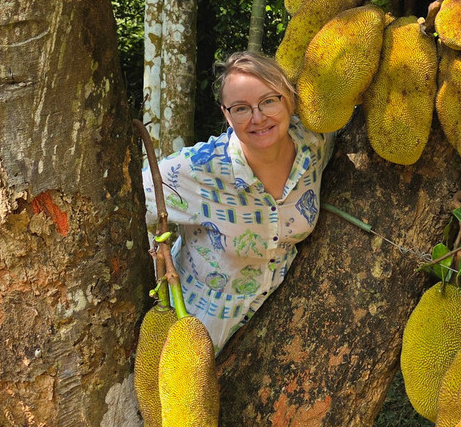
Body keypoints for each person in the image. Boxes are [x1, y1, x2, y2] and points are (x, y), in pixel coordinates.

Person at [141, 51, 334, 352]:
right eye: (241, 108)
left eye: (269, 101)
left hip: (273, 338)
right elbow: (128, 204)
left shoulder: (314, 146)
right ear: (226, 115)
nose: (258, 118)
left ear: (289, 100)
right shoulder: (197, 169)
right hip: (193, 341)